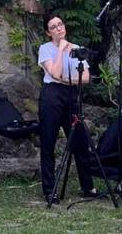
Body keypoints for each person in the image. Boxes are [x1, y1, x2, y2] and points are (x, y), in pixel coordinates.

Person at [37, 15, 99, 203]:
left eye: (60, 24)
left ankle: (87, 186)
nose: (59, 28)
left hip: (72, 94)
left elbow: (86, 77)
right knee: (48, 141)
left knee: (79, 140)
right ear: (48, 32)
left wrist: (63, 78)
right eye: (54, 27)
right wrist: (62, 50)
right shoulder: (45, 49)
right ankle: (50, 190)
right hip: (52, 96)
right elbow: (54, 73)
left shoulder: (78, 48)